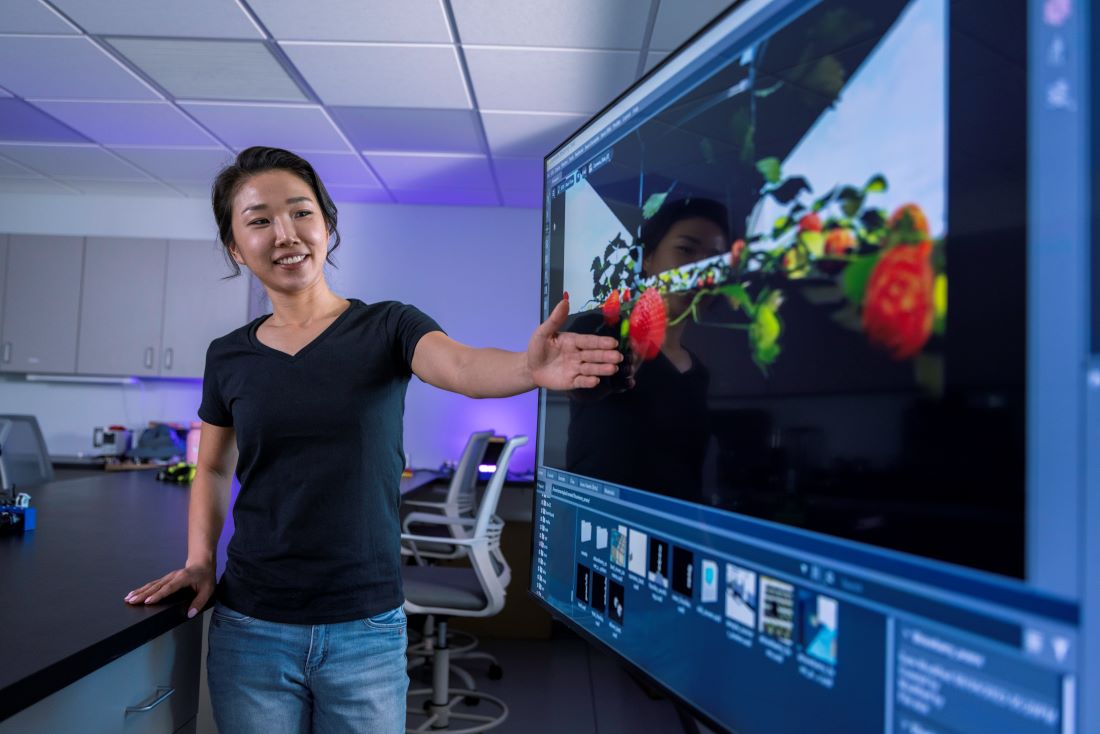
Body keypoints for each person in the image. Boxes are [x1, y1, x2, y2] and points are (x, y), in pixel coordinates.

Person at [123, 146, 622, 734]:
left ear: (327, 224)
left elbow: (460, 366)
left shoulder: (387, 325)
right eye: (259, 220)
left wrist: (526, 369)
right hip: (251, 627)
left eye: (301, 212)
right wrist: (200, 560)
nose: (285, 233)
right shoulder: (228, 355)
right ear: (235, 246)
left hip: (364, 628)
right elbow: (210, 468)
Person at [565, 197, 730, 503]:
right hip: (598, 529)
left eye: (714, 258)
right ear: (649, 258)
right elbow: (586, 385)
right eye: (686, 249)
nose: (700, 268)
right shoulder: (603, 331)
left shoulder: (699, 374)